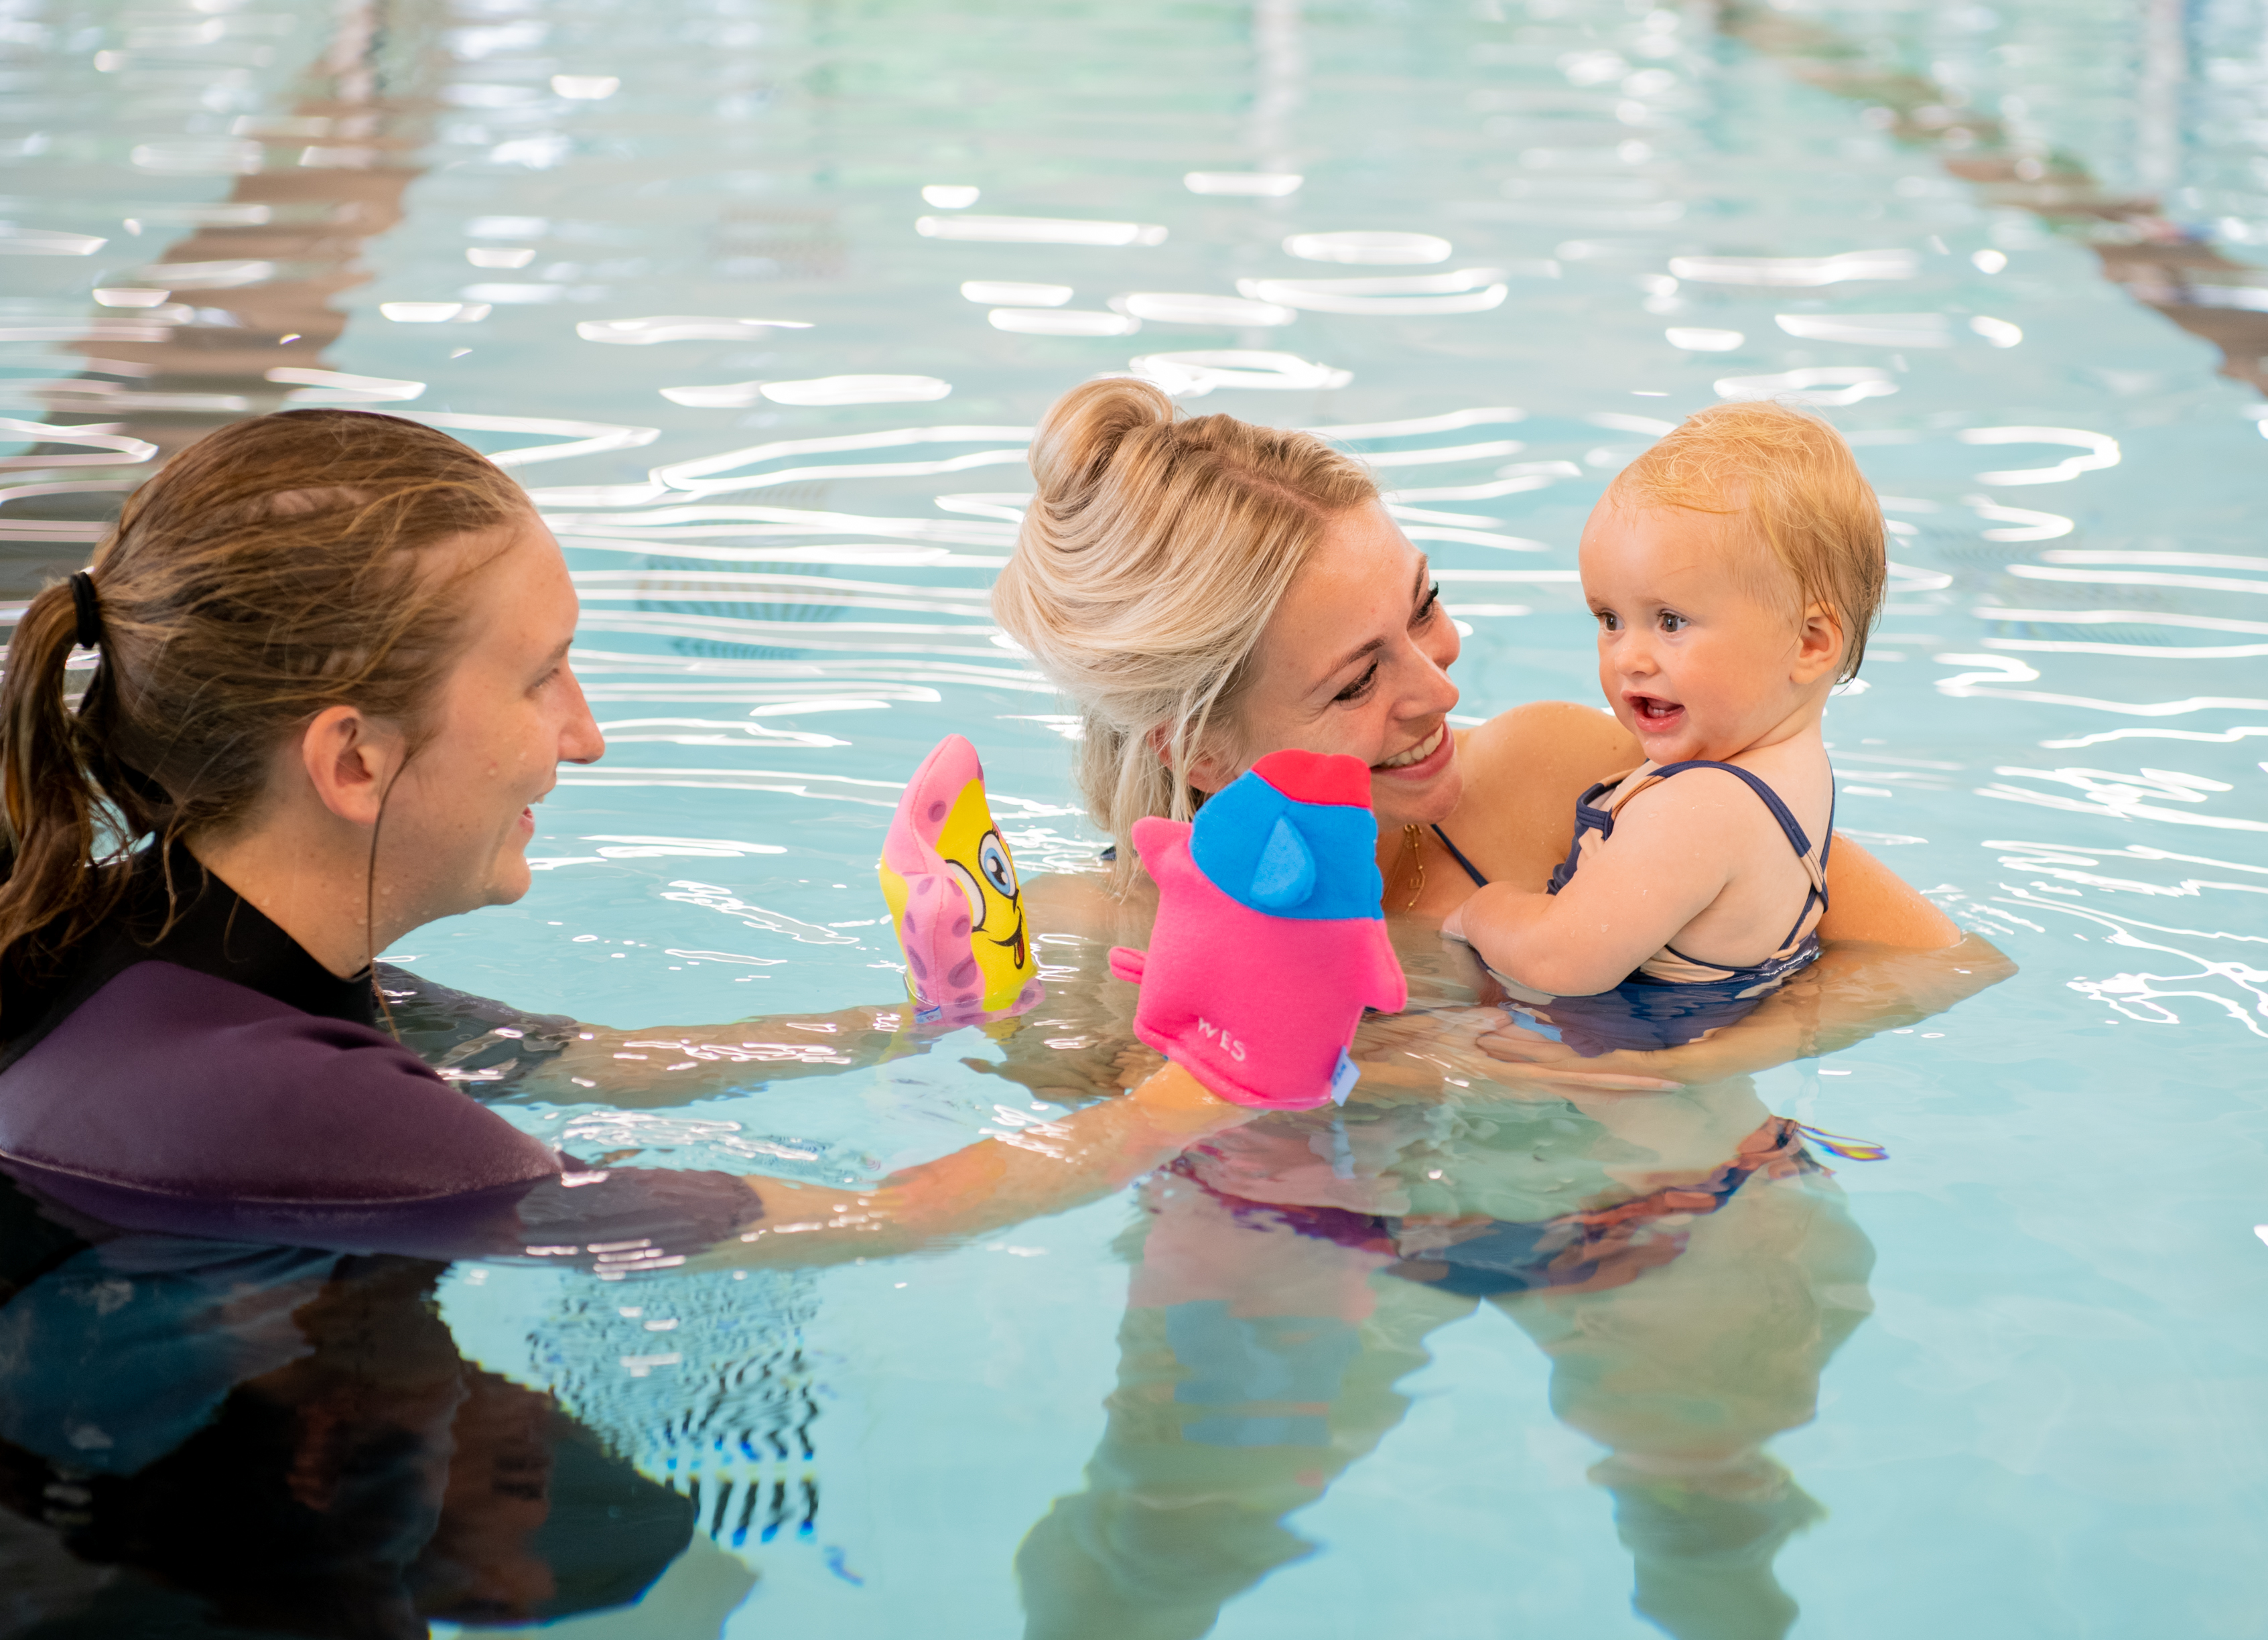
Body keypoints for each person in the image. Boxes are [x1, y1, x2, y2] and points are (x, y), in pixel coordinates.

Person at [0, 409, 1260, 1263]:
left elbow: (592, 1059)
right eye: (541, 676)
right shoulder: (282, 1095)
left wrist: (936, 1025)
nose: (587, 734)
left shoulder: (159, 923)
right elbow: (866, 1223)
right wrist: (1219, 1084)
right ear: (353, 759)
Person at [1443, 401, 1881, 1049]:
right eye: (1609, 619)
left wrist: (1485, 911)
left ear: (1809, 643)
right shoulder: (1790, 778)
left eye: (1670, 621)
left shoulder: (1701, 808)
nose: (1627, 657)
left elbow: (1561, 961)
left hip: (1638, 1118)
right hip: (1699, 1120)